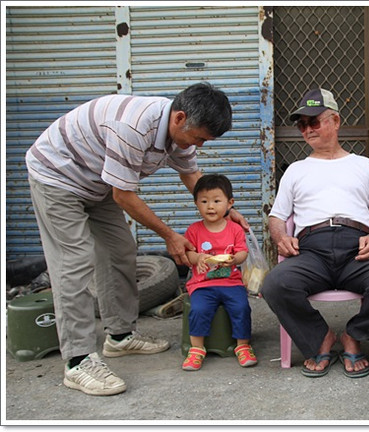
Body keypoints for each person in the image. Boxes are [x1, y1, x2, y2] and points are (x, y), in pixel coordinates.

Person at [26, 82, 249, 396]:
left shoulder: (181, 132)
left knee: (120, 249)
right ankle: (77, 360)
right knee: (75, 260)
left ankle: (119, 337)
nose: (199, 145)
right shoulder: (132, 127)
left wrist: (227, 211)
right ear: (180, 118)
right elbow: (123, 195)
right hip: (57, 177)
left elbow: (192, 177)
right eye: (199, 138)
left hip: (97, 183)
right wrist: (170, 235)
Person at [261, 88, 369, 378]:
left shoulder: (364, 166)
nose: (307, 129)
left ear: (336, 121)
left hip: (358, 248)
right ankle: (321, 337)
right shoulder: (296, 170)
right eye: (302, 124)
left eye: (314, 121)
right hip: (310, 250)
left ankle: (354, 335)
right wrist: (281, 238)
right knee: (275, 284)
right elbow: (277, 217)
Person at [182, 174, 257, 371]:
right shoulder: (194, 230)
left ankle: (243, 345)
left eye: (216, 201)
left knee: (241, 307)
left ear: (229, 203)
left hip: (231, 282)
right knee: (198, 309)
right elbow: (188, 254)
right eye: (204, 201)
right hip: (202, 284)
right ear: (196, 203)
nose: (210, 207)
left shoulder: (235, 229)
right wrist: (198, 257)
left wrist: (235, 259)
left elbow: (242, 252)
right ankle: (196, 348)